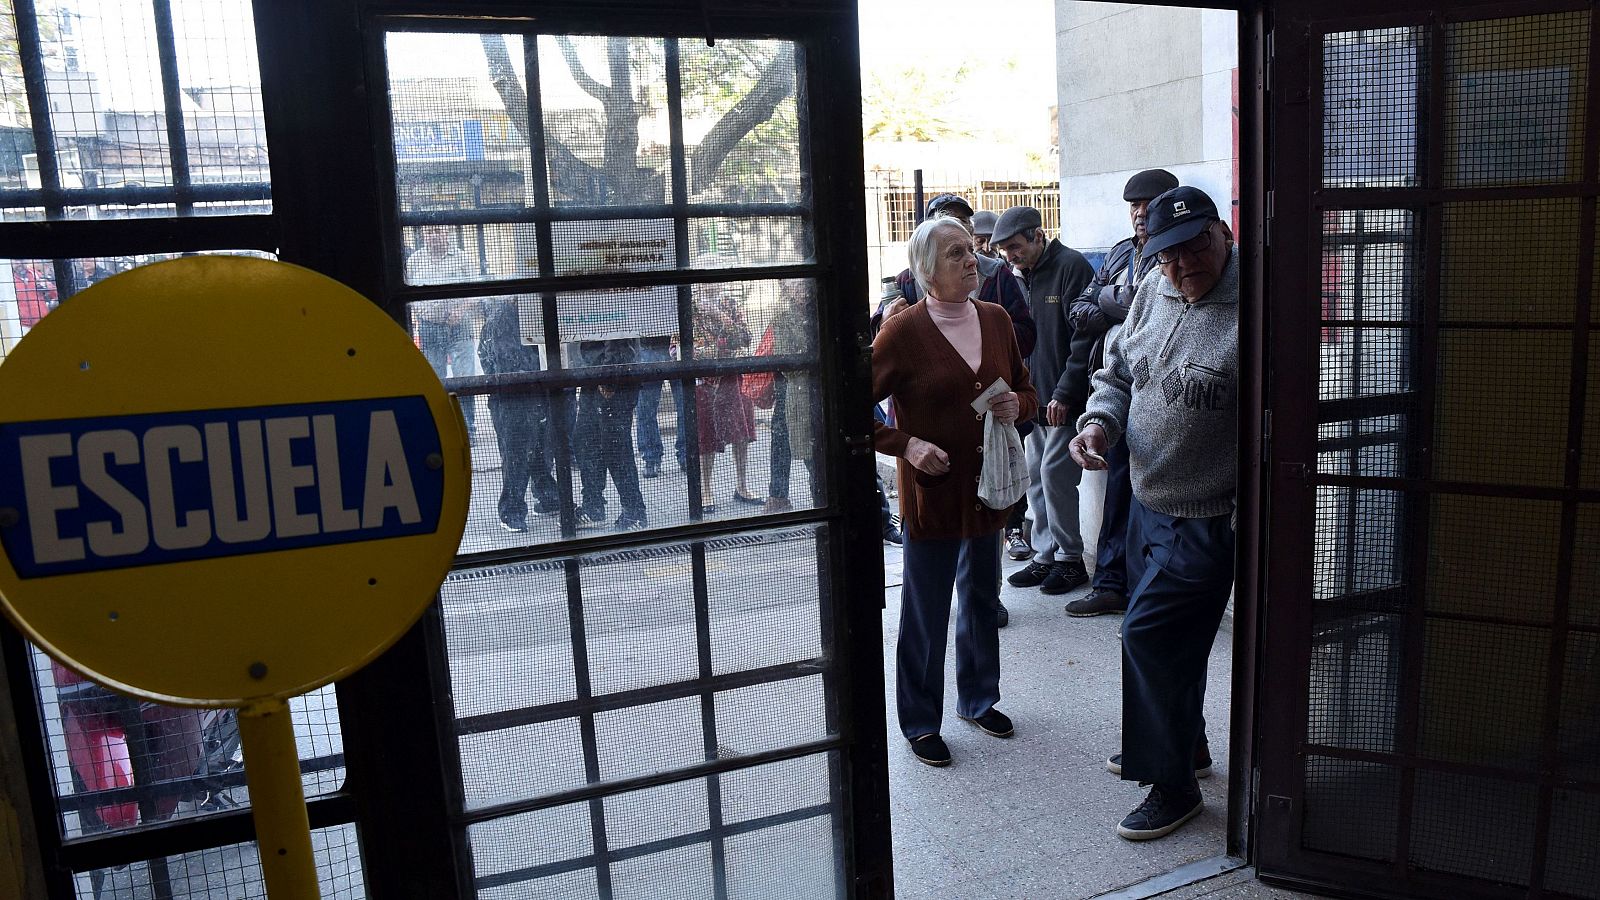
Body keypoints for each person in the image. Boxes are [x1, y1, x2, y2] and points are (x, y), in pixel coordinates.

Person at [1069, 185, 1238, 841]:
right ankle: (1184, 745)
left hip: (1206, 517)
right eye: (1168, 254)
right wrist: (1099, 426)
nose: (1183, 264)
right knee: (1175, 646)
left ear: (1221, 232)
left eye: (1196, 245)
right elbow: (1116, 372)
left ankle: (1172, 785)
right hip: (1147, 503)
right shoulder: (1153, 291)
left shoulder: (1254, 304)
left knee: (1147, 636)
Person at [873, 216, 1037, 767]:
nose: (972, 260)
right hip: (932, 494)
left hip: (988, 489)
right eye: (955, 254)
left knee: (982, 598)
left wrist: (1021, 405)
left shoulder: (996, 320)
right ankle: (921, 720)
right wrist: (906, 445)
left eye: (972, 250)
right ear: (925, 271)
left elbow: (1023, 387)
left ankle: (978, 698)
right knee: (925, 610)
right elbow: (853, 409)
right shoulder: (902, 331)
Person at [1063, 168, 1179, 618]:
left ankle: (1140, 593)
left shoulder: (1171, 253)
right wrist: (1119, 300)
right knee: (1115, 490)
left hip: (1156, 391)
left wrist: (1112, 304)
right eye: (1134, 206)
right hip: (1113, 386)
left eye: (1148, 205)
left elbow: (1147, 314)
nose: (1139, 214)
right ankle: (1111, 583)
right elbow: (1079, 310)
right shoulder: (1117, 254)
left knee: (1148, 497)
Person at [991, 206, 1096, 597]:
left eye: (1015, 247)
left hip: (1063, 398)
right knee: (1034, 474)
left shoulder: (1071, 266)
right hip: (1033, 398)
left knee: (1055, 476)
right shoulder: (1019, 275)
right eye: (1003, 250)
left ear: (1038, 236)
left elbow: (1083, 339)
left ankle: (1071, 558)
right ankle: (1045, 554)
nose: (1009, 256)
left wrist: (1066, 392)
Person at [477, 298, 560, 532]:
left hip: (531, 391)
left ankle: (547, 496)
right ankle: (511, 510)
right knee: (517, 453)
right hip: (512, 395)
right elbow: (507, 360)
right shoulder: (505, 316)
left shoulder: (526, 313)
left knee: (538, 449)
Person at [406, 224, 481, 439]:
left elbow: (475, 291)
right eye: (429, 232)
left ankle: (468, 429)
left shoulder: (463, 258)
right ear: (423, 235)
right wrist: (424, 312)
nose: (433, 236)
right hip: (429, 328)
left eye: (438, 231)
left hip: (460, 326)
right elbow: (409, 296)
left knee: (465, 377)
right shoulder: (415, 261)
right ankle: (439, 428)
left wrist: (461, 310)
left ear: (447, 232)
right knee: (434, 376)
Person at [695, 290, 760, 511]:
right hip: (704, 381)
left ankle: (742, 486)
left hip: (733, 376)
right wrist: (724, 345)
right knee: (706, 436)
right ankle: (705, 491)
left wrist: (721, 317)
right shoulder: (690, 306)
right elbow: (688, 351)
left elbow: (745, 337)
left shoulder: (729, 304)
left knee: (741, 432)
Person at [576, 339, 649, 530]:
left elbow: (618, 338)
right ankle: (593, 507)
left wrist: (608, 379)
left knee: (616, 448)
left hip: (611, 380)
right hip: (596, 376)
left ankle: (634, 512)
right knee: (587, 441)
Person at [763, 281, 817, 513]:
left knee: (815, 453)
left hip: (816, 393)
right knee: (803, 449)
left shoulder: (821, 310)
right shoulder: (783, 319)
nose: (801, 290)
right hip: (796, 394)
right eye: (795, 285)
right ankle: (779, 497)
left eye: (804, 284)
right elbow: (788, 363)